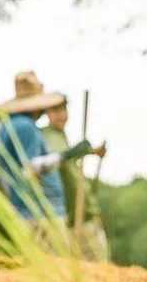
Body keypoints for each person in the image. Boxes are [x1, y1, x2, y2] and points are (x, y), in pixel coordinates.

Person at [0, 71, 69, 241]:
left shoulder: (8, 126)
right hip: (41, 215)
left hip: (26, 212)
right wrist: (67, 155)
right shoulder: (25, 127)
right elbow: (31, 168)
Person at [43, 96, 110, 261]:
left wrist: (93, 151)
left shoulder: (60, 135)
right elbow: (59, 157)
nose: (60, 115)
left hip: (84, 215)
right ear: (47, 113)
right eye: (55, 110)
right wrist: (80, 151)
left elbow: (68, 157)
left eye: (63, 110)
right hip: (73, 219)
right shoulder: (48, 135)